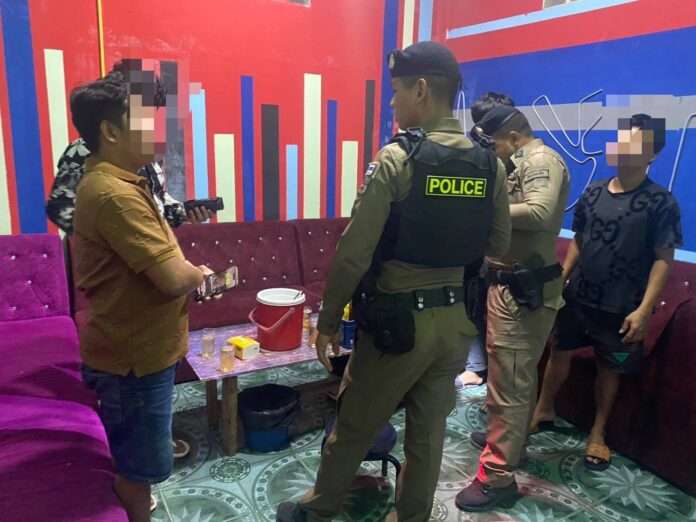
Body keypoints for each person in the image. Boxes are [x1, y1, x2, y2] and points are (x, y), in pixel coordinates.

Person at [276, 41, 511, 522]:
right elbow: (499, 242)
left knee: (355, 424)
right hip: (455, 324)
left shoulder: (398, 159)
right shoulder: (490, 164)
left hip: (398, 326)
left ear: (421, 89)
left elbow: (353, 254)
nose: (391, 101)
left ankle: (319, 509)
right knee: (428, 434)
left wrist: (327, 321)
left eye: (397, 90)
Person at [70, 68, 212, 522]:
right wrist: (197, 274)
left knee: (141, 464)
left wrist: (187, 274)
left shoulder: (126, 182)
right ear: (111, 132)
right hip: (132, 363)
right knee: (138, 471)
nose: (158, 129)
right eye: (146, 119)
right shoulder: (114, 195)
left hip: (138, 353)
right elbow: (171, 277)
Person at [530, 114, 682, 471]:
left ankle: (598, 433)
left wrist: (644, 310)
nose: (625, 148)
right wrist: (562, 279)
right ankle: (543, 410)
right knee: (558, 352)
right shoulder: (593, 191)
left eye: (636, 143)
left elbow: (664, 259)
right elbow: (579, 241)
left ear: (652, 154)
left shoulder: (661, 202)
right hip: (578, 296)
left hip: (622, 305)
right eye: (622, 139)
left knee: (609, 368)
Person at [457, 105, 570, 512]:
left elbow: (539, 212)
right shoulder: (518, 162)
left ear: (513, 136)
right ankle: (508, 444)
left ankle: (497, 477)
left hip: (524, 292)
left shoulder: (541, 160)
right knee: (511, 380)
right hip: (507, 286)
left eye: (495, 144)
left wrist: (483, 208)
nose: (494, 152)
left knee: (511, 386)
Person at [46, 59, 212, 236]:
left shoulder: (147, 157)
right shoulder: (81, 151)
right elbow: (60, 206)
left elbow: (158, 208)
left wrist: (186, 212)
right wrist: (109, 234)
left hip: (148, 248)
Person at [458, 92, 516, 387]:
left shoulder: (509, 158)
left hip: (494, 249)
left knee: (477, 304)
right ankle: (472, 363)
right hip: (470, 244)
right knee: (469, 302)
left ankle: (477, 367)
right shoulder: (474, 152)